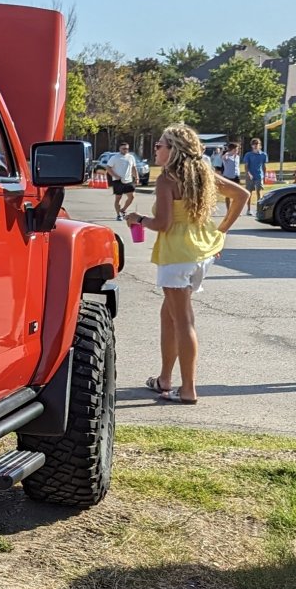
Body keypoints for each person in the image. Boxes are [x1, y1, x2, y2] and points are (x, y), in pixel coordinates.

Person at [126, 124, 248, 404]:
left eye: (159, 145)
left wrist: (138, 219)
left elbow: (163, 224)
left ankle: (188, 389)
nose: (155, 149)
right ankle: (165, 379)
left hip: (177, 255)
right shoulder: (204, 174)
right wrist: (222, 231)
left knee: (183, 321)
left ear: (174, 150)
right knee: (168, 314)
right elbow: (242, 195)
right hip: (201, 253)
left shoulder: (167, 179)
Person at [108, 142, 139, 220]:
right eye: (124, 148)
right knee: (118, 198)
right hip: (118, 181)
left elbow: (133, 168)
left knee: (131, 197)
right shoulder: (115, 158)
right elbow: (108, 168)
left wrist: (137, 177)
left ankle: (123, 210)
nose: (126, 150)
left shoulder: (131, 157)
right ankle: (118, 215)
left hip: (128, 180)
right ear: (120, 149)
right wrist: (115, 176)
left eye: (127, 149)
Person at [241, 138, 268, 216]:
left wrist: (265, 175)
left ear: (260, 145)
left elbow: (264, 166)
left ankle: (259, 210)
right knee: (249, 193)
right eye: (254, 144)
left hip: (259, 176)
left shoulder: (263, 155)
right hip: (250, 176)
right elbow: (246, 166)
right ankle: (248, 210)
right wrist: (248, 174)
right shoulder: (248, 154)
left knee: (259, 192)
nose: (255, 145)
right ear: (252, 146)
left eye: (257, 144)